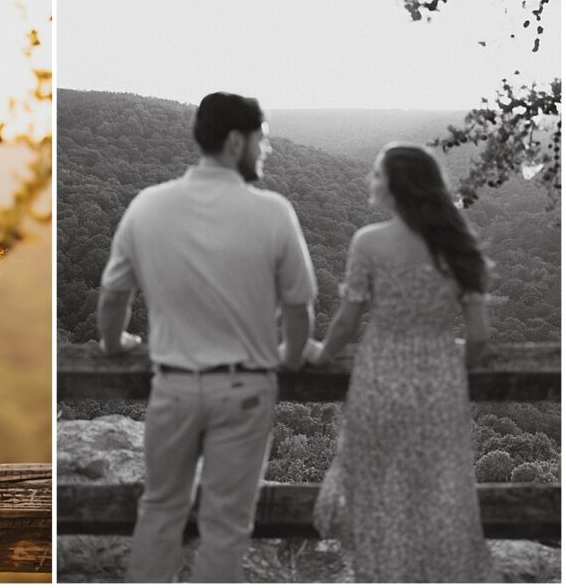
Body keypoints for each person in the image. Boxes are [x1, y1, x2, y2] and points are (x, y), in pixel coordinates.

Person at [97, 91, 317, 582]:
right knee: (226, 526)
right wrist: (293, 355)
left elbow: (113, 297)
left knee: (159, 513)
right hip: (244, 390)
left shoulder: (148, 206)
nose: (267, 151)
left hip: (173, 387)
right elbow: (300, 308)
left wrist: (115, 346)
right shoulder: (274, 212)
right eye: (263, 141)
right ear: (237, 141)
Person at [309, 143, 495, 582]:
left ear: (397, 187)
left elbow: (346, 323)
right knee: (437, 494)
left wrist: (321, 353)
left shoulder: (368, 242)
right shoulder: (455, 244)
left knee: (376, 495)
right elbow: (480, 335)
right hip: (438, 384)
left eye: (376, 174)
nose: (369, 181)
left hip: (380, 379)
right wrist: (451, 368)